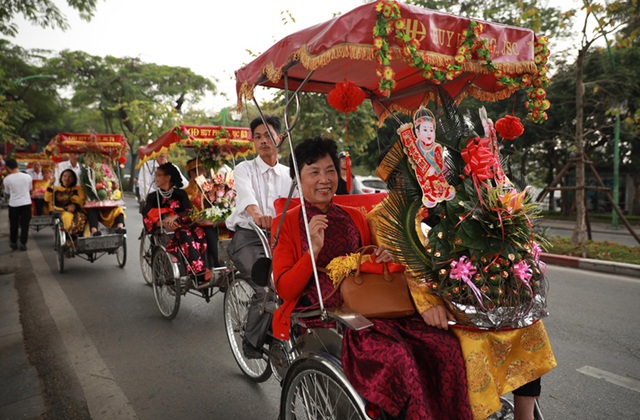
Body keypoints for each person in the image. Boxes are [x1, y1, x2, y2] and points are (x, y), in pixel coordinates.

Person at [271, 136, 472, 420]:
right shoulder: (290, 222)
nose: (324, 179)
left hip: (375, 306)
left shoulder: (355, 216)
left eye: (330, 170)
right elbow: (285, 288)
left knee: (444, 346)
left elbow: (370, 264)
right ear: (297, 179)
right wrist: (313, 252)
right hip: (331, 315)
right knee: (399, 359)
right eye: (313, 172)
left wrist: (381, 256)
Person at [225, 115, 295, 359]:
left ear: (280, 137)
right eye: (258, 137)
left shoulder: (290, 174)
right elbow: (247, 200)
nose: (263, 141)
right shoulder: (244, 169)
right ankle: (251, 341)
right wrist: (258, 215)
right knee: (267, 286)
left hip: (282, 237)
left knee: (303, 281)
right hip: (249, 237)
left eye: (268, 135)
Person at [142, 162, 210, 286]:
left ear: (168, 177)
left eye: (158, 175)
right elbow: (146, 216)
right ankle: (198, 273)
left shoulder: (180, 194)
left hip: (183, 224)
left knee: (200, 232)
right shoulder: (153, 197)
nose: (155, 178)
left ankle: (205, 267)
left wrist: (176, 216)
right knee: (184, 235)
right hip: (166, 231)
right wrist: (160, 223)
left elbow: (189, 212)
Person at [184, 157, 220, 267]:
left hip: (210, 220)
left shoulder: (209, 188)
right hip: (195, 223)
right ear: (192, 173)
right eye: (201, 170)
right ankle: (217, 262)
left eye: (204, 170)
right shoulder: (186, 192)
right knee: (210, 230)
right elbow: (187, 212)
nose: (204, 173)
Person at [45, 169, 88, 237]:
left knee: (83, 218)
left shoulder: (78, 189)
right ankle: (70, 237)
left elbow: (82, 201)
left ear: (73, 179)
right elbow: (47, 199)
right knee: (67, 217)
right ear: (61, 178)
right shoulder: (56, 189)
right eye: (65, 176)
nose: (67, 178)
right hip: (61, 211)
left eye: (70, 177)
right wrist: (50, 184)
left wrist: (75, 205)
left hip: (76, 210)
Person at [3, 158, 32, 251]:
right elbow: (30, 189)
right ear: (17, 165)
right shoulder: (28, 177)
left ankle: (13, 242)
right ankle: (23, 243)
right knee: (25, 225)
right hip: (26, 204)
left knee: (14, 224)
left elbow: (7, 192)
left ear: (8, 168)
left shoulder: (7, 179)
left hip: (14, 204)